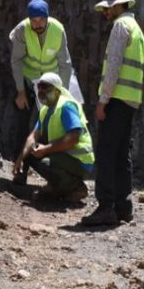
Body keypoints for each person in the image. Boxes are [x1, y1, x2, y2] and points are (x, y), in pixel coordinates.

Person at [82, 0, 144, 225]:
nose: (105, 13)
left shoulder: (121, 27)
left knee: (107, 153)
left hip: (116, 99)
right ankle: (123, 207)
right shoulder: (137, 29)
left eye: (108, 8)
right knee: (122, 154)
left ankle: (106, 207)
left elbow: (113, 67)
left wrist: (103, 100)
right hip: (130, 100)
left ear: (118, 6)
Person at [9, 0, 82, 184]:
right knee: (23, 122)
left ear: (47, 18)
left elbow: (65, 64)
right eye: (33, 20)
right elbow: (16, 61)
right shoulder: (21, 31)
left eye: (41, 20)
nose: (37, 24)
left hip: (51, 81)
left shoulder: (58, 30)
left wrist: (62, 95)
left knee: (51, 124)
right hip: (28, 79)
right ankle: (20, 171)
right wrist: (21, 92)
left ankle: (55, 173)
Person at [13, 72, 94, 202]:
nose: (41, 91)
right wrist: (21, 158)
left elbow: (73, 138)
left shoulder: (66, 106)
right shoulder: (46, 110)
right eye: (39, 87)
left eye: (46, 87)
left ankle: (76, 187)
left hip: (79, 160)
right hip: (63, 154)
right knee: (29, 151)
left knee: (45, 163)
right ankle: (58, 186)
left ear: (57, 91)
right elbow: (33, 136)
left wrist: (45, 150)